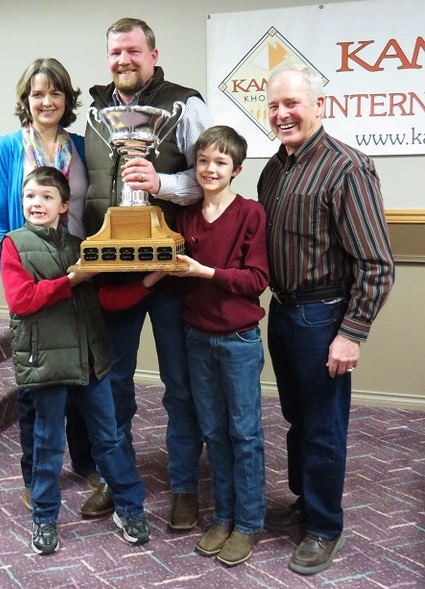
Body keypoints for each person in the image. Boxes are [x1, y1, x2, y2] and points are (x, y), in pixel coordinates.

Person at [257, 62, 395, 575]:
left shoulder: (347, 167)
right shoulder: (275, 167)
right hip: (284, 312)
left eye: (292, 103)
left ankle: (323, 527)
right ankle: (306, 499)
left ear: (320, 105)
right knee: (297, 419)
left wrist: (351, 334)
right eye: (273, 105)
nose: (282, 113)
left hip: (324, 317)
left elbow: (377, 264)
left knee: (324, 427)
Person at [82, 18, 214, 528]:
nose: (124, 60)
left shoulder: (184, 104)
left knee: (179, 385)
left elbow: (207, 179)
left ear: (154, 55)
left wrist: (159, 181)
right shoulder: (95, 112)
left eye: (134, 51)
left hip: (168, 272)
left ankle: (183, 486)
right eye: (116, 52)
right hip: (111, 273)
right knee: (112, 385)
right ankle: (118, 480)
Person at [1, 166, 160, 553]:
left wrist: (146, 283)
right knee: (48, 444)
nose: (36, 203)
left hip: (91, 363)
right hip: (47, 365)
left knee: (110, 438)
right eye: (30, 197)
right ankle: (44, 518)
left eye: (46, 197)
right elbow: (22, 300)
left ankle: (129, 507)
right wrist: (74, 278)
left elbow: (104, 299)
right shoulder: (14, 244)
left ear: (63, 205)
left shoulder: (80, 246)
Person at [0, 58, 97, 510]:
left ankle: (87, 463)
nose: (46, 101)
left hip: (80, 276)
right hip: (30, 280)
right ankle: (35, 475)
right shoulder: (8, 148)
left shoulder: (86, 148)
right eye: (37, 93)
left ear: (68, 99)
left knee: (82, 373)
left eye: (55, 92)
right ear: (25, 100)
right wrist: (13, 270)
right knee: (36, 384)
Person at [168, 126, 269, 566]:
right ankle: (223, 516)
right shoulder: (186, 216)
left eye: (221, 162)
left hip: (239, 340)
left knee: (244, 433)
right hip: (196, 337)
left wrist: (205, 272)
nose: (210, 169)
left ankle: (248, 523)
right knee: (212, 431)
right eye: (204, 160)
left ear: (237, 170)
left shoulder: (251, 213)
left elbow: (257, 281)